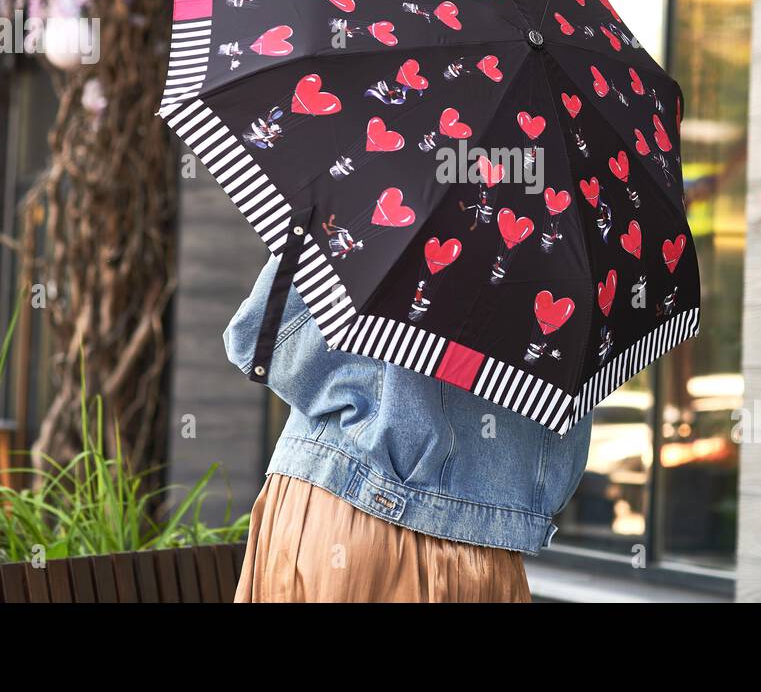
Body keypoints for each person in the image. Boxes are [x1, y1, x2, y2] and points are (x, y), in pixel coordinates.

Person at [225, 251, 594, 603]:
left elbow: (262, 338)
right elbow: (562, 440)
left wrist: (374, 402)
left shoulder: (385, 191)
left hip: (351, 509)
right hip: (487, 556)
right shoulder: (580, 257)